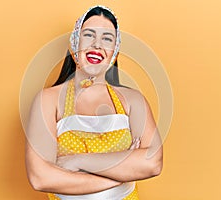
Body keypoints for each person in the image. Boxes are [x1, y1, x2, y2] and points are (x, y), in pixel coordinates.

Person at [25, 5, 163, 200]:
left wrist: (77, 161)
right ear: (74, 43)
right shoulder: (47, 101)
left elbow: (152, 163)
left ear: (114, 51)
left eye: (107, 38)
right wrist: (119, 177)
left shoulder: (133, 101)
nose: (97, 45)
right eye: (89, 35)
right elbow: (41, 177)